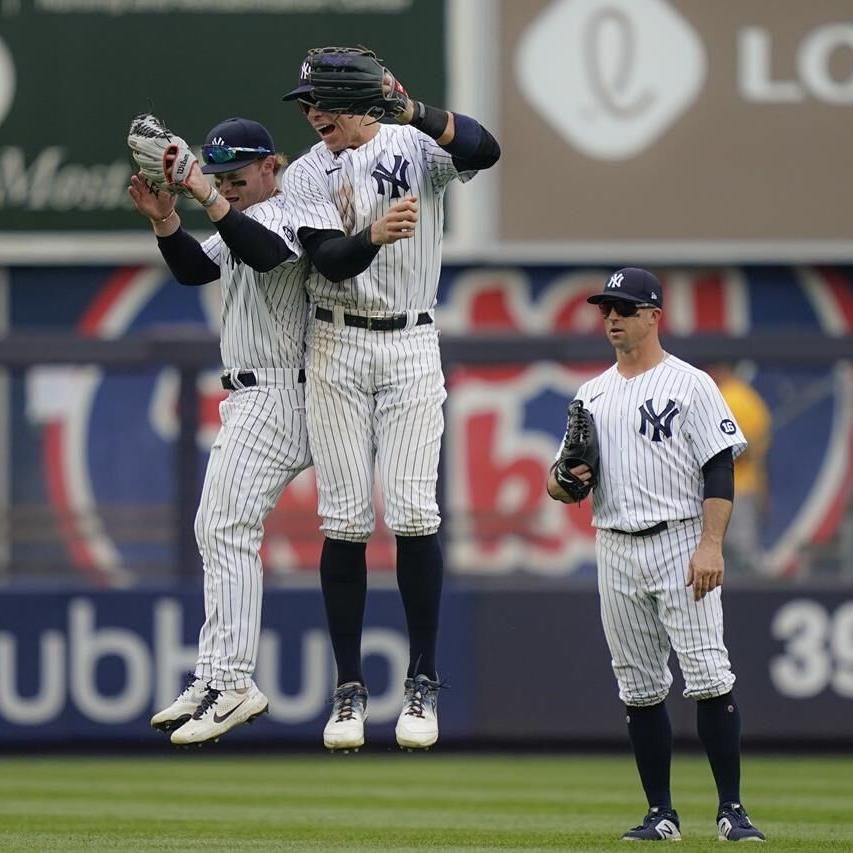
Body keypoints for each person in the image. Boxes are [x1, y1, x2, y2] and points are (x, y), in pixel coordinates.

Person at [130, 117, 410, 746]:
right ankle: (215, 675)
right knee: (219, 526)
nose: (230, 185)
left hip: (285, 390)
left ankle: (231, 681)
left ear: (270, 167)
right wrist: (165, 220)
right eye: (221, 175)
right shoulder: (242, 216)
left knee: (225, 525)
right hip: (257, 393)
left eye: (238, 175)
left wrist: (206, 194)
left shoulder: (285, 209)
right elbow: (197, 271)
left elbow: (268, 253)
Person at [280, 46, 500, 751]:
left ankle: (423, 677)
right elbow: (329, 260)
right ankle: (348, 688)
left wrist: (411, 109)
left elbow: (485, 149)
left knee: (412, 509)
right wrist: (372, 234)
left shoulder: (413, 143)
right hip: (337, 338)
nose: (313, 115)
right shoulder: (307, 171)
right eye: (308, 104)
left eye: (323, 102)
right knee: (343, 518)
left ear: (360, 102)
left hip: (410, 338)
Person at [546, 268, 766, 842]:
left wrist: (710, 544)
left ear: (653, 315)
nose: (612, 317)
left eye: (624, 307)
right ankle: (660, 813)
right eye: (605, 308)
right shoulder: (590, 393)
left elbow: (720, 464)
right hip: (614, 543)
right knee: (638, 687)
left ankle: (732, 810)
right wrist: (567, 479)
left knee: (709, 676)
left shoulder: (690, 384)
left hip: (679, 539)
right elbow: (560, 482)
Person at [708, 364, 772, 575]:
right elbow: (760, 451)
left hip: (731, 488)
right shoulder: (752, 399)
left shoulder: (729, 398)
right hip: (747, 486)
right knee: (742, 553)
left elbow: (739, 449)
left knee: (740, 554)